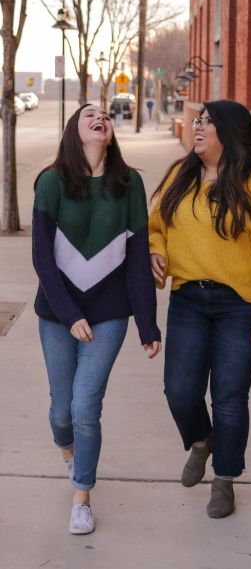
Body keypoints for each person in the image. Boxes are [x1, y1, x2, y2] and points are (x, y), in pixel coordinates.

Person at [149, 99, 251, 519]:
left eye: (208, 122)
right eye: (197, 120)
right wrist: (155, 252)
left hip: (241, 306)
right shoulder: (181, 175)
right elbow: (155, 226)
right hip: (189, 299)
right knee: (179, 391)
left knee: (230, 398)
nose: (198, 126)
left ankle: (225, 479)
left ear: (230, 132)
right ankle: (201, 442)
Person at [32, 104, 161, 535]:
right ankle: (69, 451)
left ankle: (82, 495)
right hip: (57, 314)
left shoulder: (130, 184)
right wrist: (69, 316)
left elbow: (139, 259)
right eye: (89, 114)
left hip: (108, 315)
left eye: (105, 115)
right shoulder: (51, 183)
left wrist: (147, 324)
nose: (100, 117)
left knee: (86, 406)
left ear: (111, 132)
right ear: (75, 130)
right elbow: (42, 261)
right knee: (61, 412)